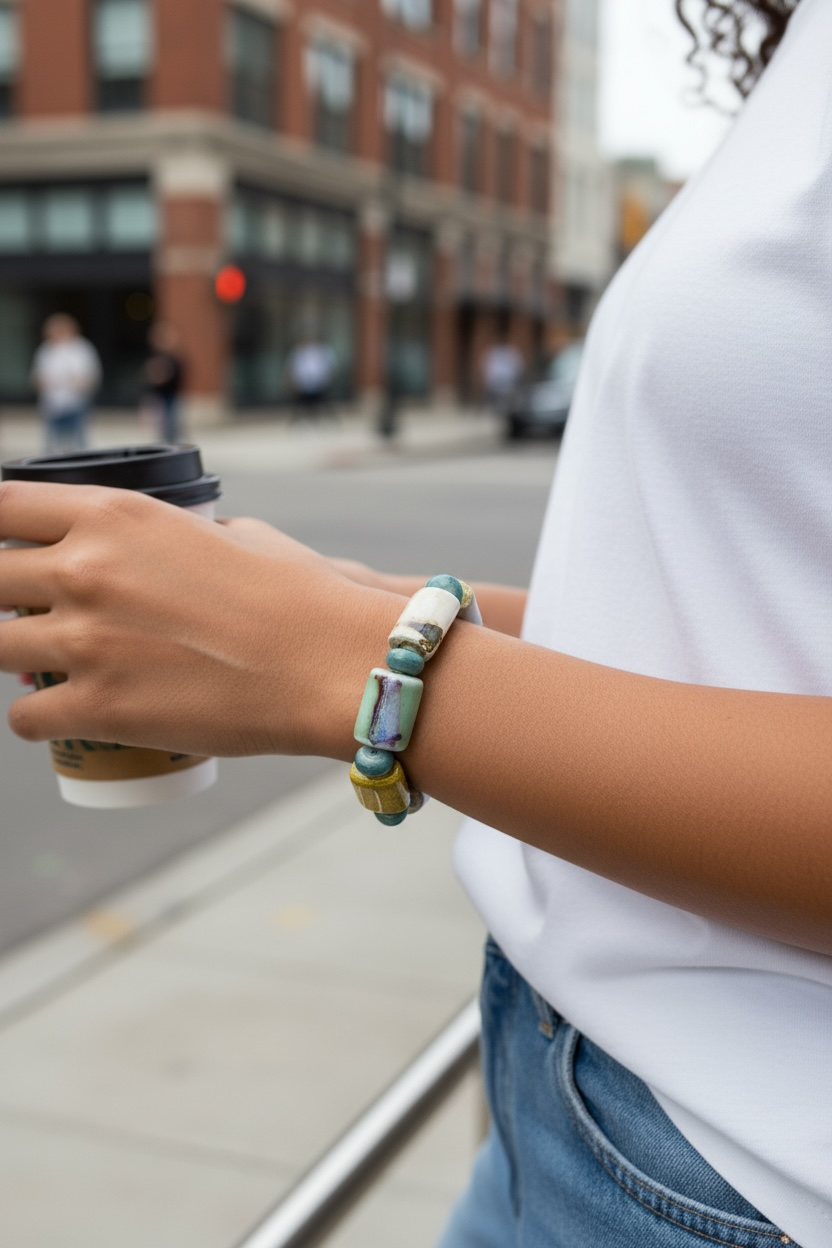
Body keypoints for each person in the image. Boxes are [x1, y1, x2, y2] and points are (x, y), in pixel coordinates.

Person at [0, 1, 828, 1245]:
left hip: (742, 1179)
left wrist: (344, 666)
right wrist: (364, 606)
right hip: (565, 1071)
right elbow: (731, 614)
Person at [31, 315, 101, 454]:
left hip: (76, 403)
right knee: (51, 446)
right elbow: (36, 379)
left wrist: (74, 382)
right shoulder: (46, 350)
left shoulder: (81, 348)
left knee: (79, 444)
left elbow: (91, 377)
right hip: (52, 405)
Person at [143, 322, 186, 446]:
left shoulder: (174, 358)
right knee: (159, 430)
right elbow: (149, 376)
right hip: (158, 398)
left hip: (171, 397)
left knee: (172, 428)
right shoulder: (153, 357)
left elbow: (174, 377)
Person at [286, 333, 336, 419]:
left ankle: (326, 418)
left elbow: (330, 367)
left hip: (319, 383)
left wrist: (327, 379)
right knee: (302, 403)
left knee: (322, 402)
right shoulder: (299, 352)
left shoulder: (322, 350)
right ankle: (299, 420)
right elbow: (292, 368)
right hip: (303, 384)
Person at [481, 336, 523, 413]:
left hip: (505, 380)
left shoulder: (509, 352)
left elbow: (517, 365)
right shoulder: (497, 352)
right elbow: (488, 365)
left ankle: (501, 410)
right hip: (498, 380)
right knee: (495, 399)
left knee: (504, 398)